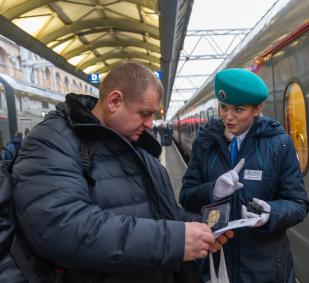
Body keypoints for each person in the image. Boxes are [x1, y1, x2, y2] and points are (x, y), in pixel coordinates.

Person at [12, 62, 232, 282]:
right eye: (144, 114)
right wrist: (174, 240)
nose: (150, 124)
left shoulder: (136, 145)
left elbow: (160, 212)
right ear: (114, 101)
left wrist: (201, 227)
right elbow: (63, 229)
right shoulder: (52, 141)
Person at [179, 68, 309, 283]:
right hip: (216, 265)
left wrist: (272, 214)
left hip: (265, 269)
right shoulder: (205, 144)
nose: (228, 117)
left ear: (258, 108)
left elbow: (299, 203)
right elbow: (186, 197)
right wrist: (213, 191)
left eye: (238, 109)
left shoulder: (280, 144)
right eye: (223, 107)